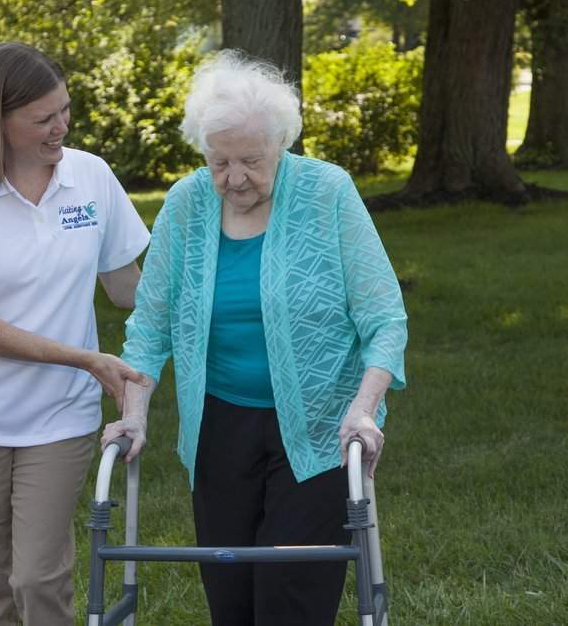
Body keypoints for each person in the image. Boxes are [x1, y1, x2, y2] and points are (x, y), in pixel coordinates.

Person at [102, 50, 407, 625]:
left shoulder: (327, 192)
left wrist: (365, 412)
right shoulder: (187, 204)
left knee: (292, 593)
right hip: (218, 425)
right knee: (231, 593)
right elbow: (149, 326)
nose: (234, 177)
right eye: (219, 161)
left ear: (282, 145)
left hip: (321, 428)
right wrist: (134, 413)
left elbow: (385, 317)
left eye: (251, 160)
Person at [0, 41, 150, 626]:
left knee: (39, 579)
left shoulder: (90, 176)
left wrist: (229, 305)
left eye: (64, 110)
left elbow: (130, 289)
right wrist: (85, 358)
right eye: (43, 118)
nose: (61, 126)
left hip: (58, 414)